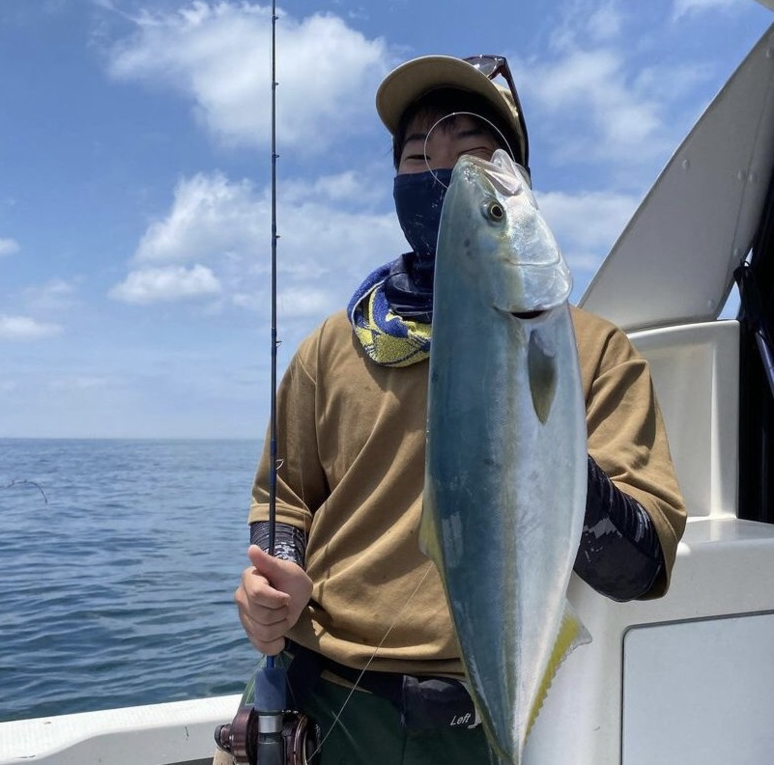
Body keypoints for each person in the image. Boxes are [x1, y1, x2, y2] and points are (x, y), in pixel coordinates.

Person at [235, 54, 687, 763]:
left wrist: (541, 448)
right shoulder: (333, 345)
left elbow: (643, 563)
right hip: (323, 701)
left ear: (525, 188)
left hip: (472, 718)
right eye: (418, 154)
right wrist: (275, 582)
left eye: (478, 154)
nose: (444, 175)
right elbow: (284, 497)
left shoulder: (593, 353)